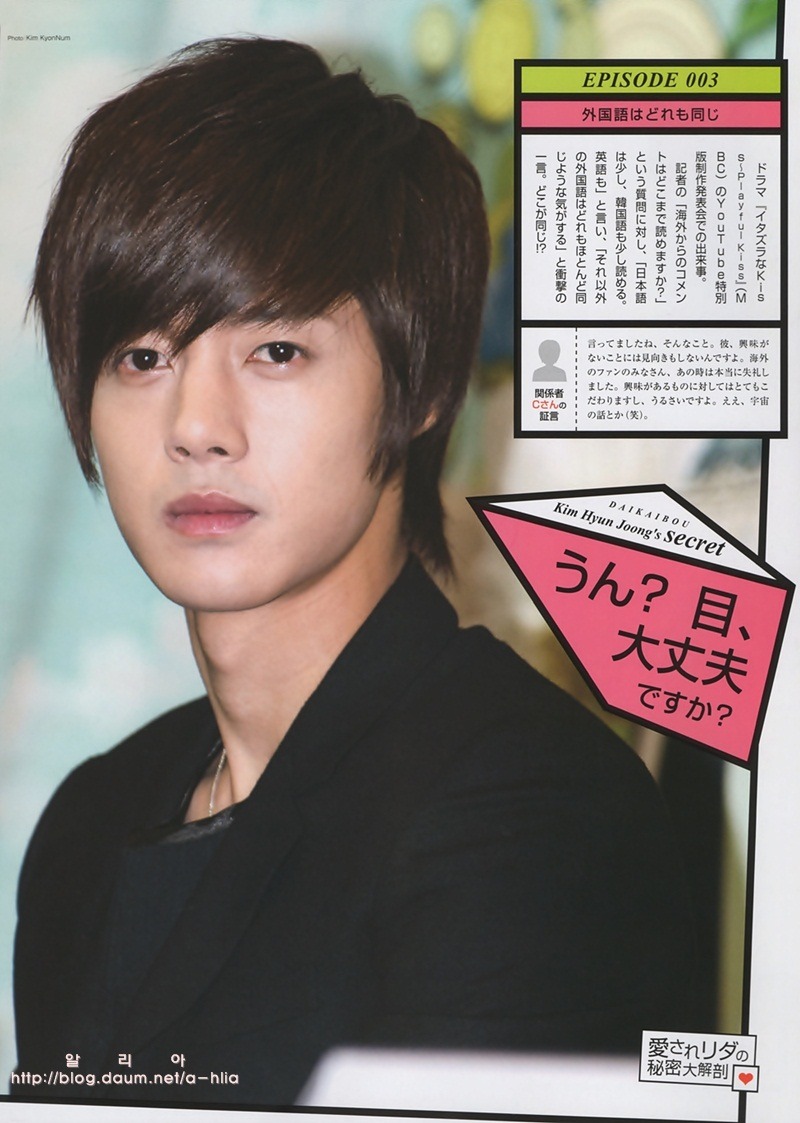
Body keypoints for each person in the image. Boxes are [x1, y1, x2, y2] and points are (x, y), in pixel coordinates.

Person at [13, 36, 696, 1107]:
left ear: (420, 386)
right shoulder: (89, 823)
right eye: (141, 357)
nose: (195, 425)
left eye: (275, 351)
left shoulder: (528, 811)